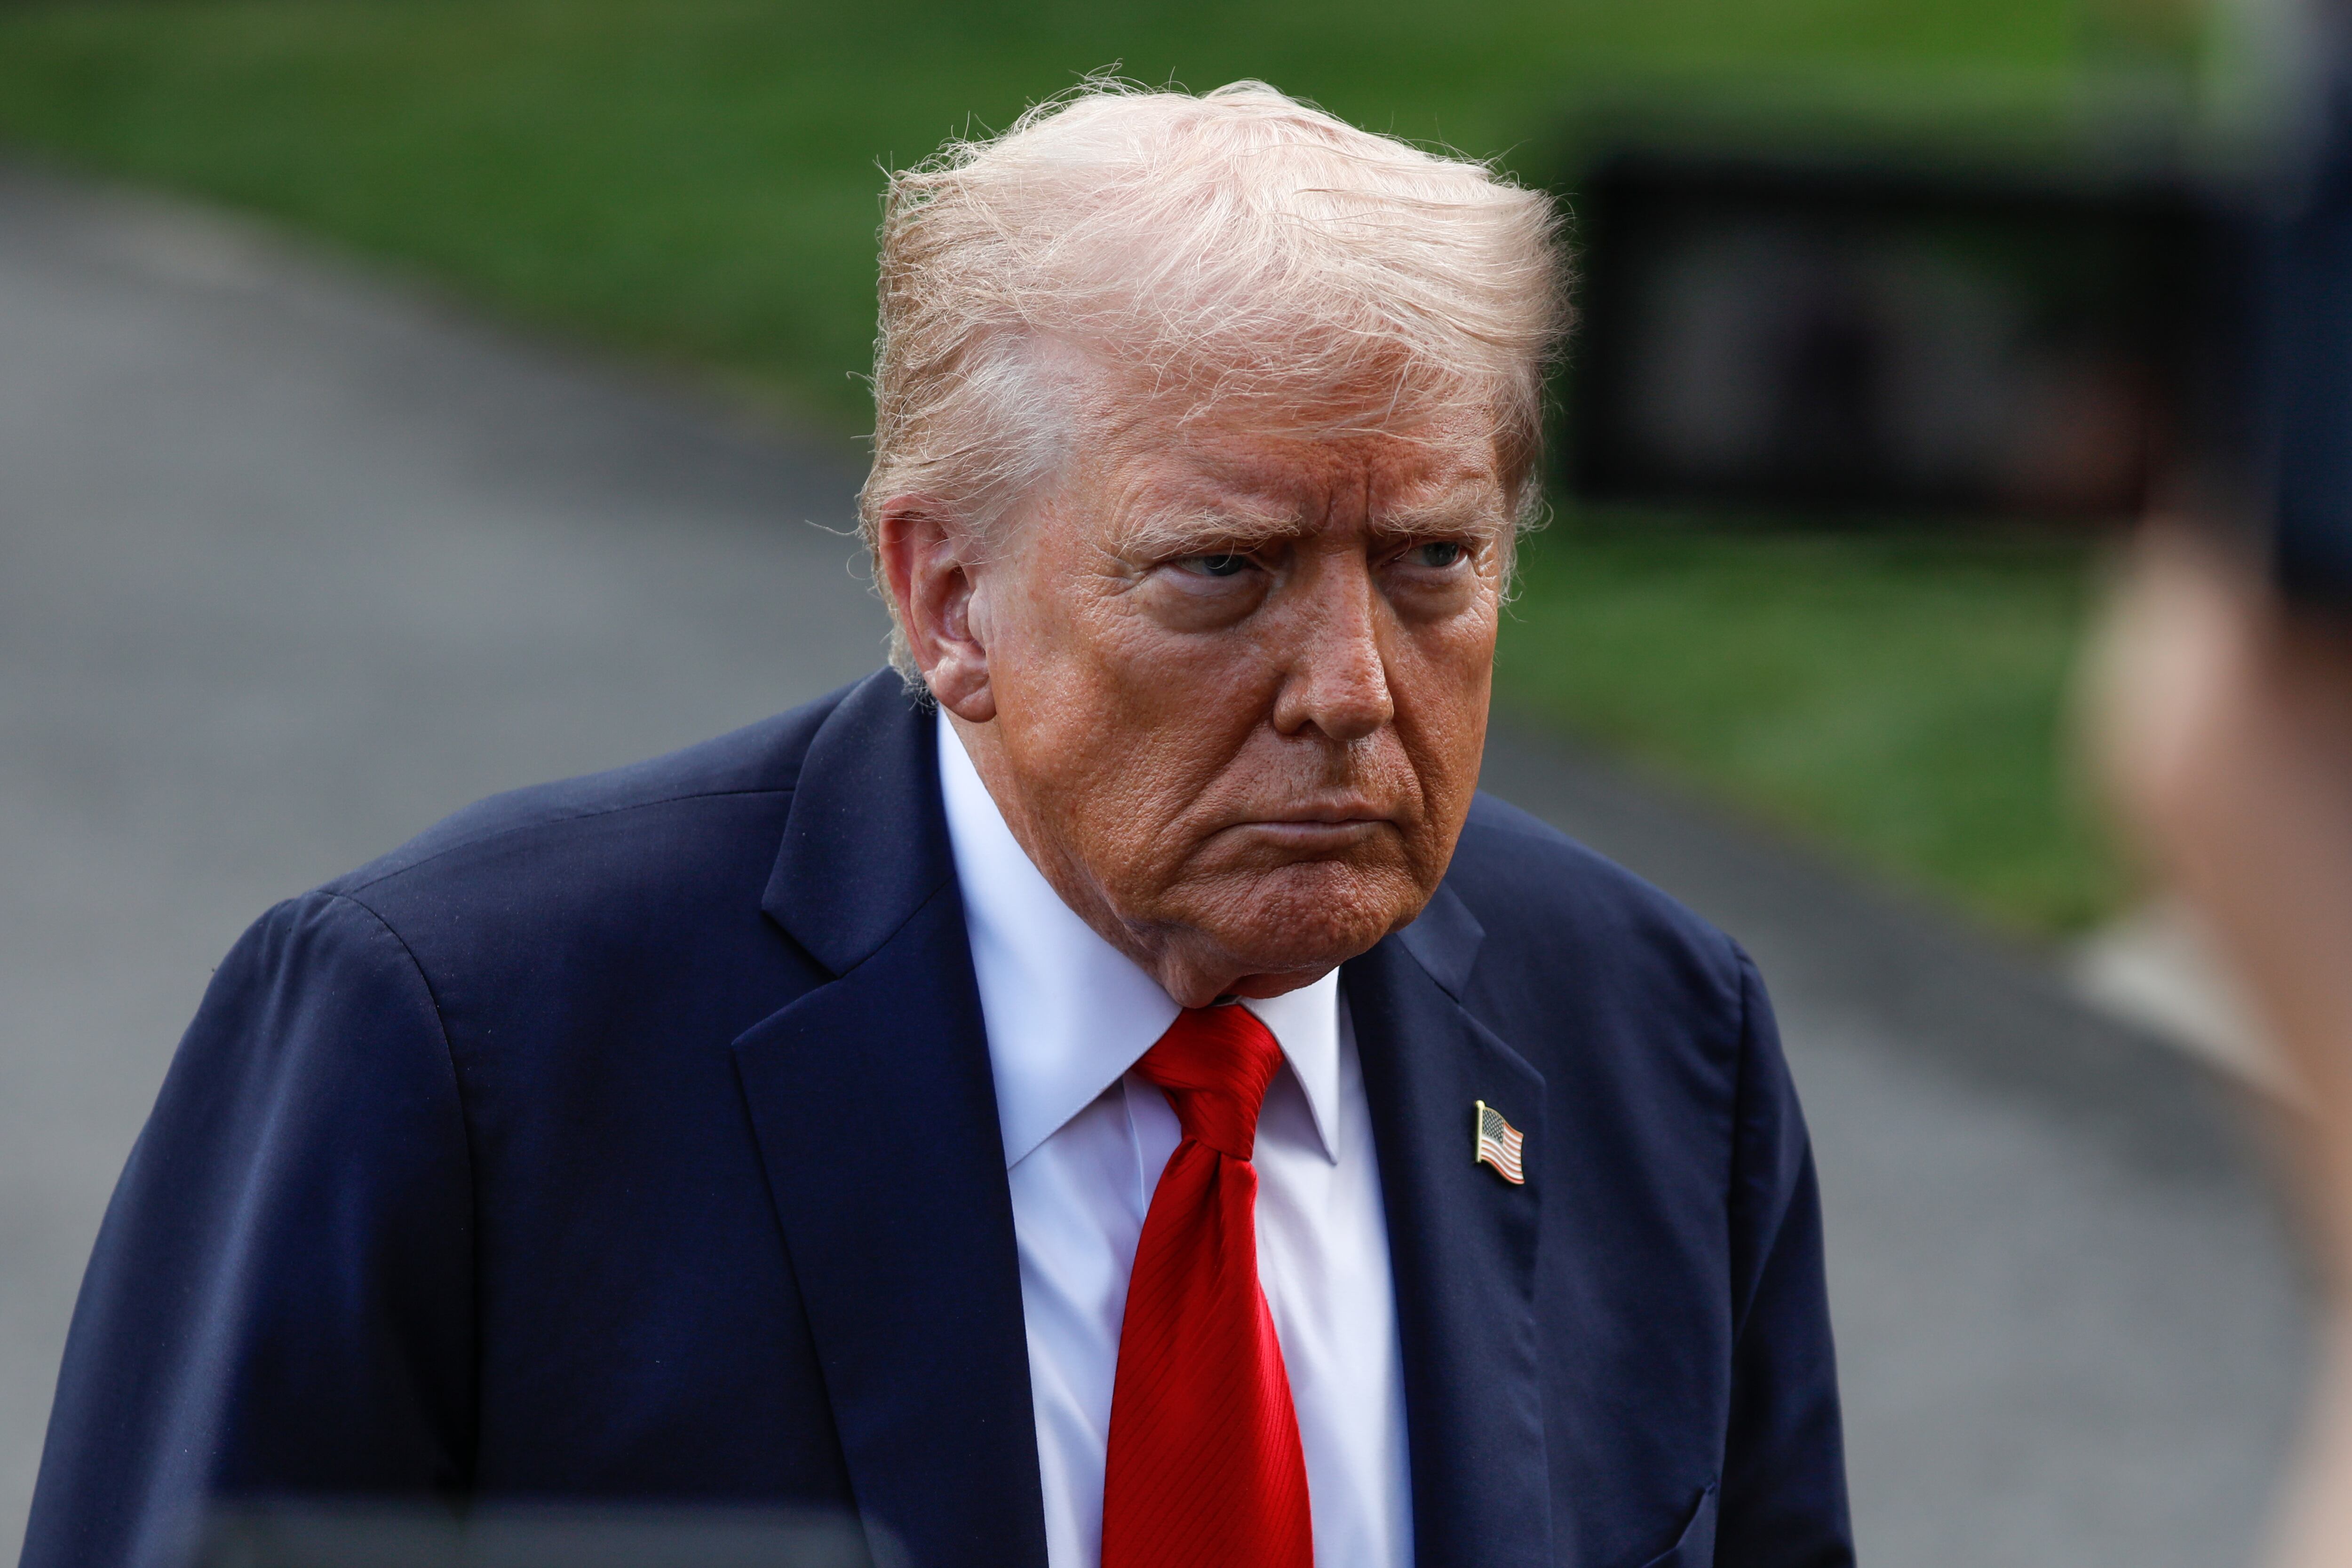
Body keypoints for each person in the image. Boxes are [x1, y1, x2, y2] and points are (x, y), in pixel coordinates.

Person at [22, 82, 1851, 1568]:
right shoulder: (457, 1038)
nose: (1351, 687)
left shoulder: (1647, 1031)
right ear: (946, 600)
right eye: (1223, 572)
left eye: (1431, 562)